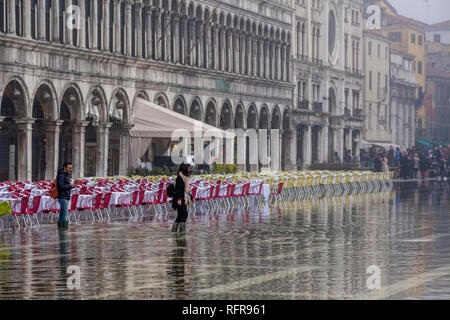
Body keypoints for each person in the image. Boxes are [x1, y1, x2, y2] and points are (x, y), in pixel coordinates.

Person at [172, 163, 193, 233]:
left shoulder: (184, 177)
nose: (190, 169)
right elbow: (179, 190)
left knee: (180, 215)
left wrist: (191, 197)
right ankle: (182, 231)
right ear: (185, 169)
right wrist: (179, 199)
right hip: (180, 199)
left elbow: (186, 190)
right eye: (189, 168)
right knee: (184, 214)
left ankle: (175, 231)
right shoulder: (180, 178)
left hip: (184, 198)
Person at [56, 162, 74, 229]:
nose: (70, 169)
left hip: (65, 196)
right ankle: (63, 228)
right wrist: (70, 186)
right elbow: (61, 187)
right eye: (69, 168)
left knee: (62, 212)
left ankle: (61, 227)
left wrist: (71, 186)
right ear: (65, 168)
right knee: (64, 213)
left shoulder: (65, 175)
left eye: (71, 168)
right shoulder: (61, 176)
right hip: (63, 196)